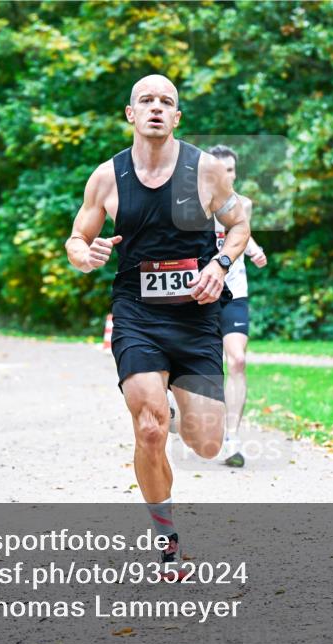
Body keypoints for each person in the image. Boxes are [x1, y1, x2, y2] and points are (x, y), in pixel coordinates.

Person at [64, 74, 250, 575]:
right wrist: (87, 255)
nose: (155, 108)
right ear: (130, 114)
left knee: (207, 442)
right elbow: (77, 240)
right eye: (145, 100)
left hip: (196, 316)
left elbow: (238, 224)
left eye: (166, 102)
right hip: (138, 315)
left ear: (176, 117)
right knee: (149, 429)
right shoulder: (107, 177)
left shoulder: (205, 170)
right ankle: (166, 539)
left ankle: (171, 398)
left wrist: (219, 266)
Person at [208, 145, 268, 468]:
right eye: (220, 170)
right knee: (201, 367)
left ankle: (232, 438)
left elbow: (242, 233)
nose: (226, 176)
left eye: (230, 170)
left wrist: (255, 249)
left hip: (234, 291)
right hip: (200, 294)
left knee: (238, 360)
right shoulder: (192, 206)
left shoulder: (243, 203)